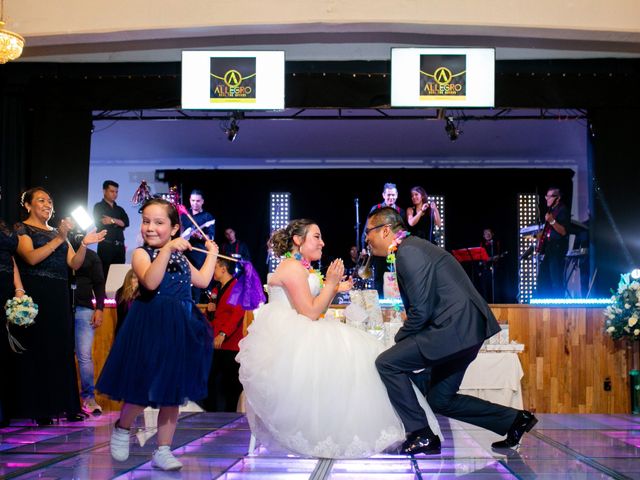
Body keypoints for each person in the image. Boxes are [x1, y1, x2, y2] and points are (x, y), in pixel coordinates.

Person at [236, 219, 440, 458]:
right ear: (297, 240)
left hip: (304, 327)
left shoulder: (302, 268)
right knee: (355, 356)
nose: (322, 242)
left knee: (362, 353)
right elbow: (310, 312)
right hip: (290, 336)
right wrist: (331, 284)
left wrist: (334, 288)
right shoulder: (292, 268)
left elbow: (316, 310)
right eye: (316, 236)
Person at [368, 207, 537, 455]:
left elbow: (421, 311)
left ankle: (421, 433)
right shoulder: (411, 248)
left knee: (387, 363)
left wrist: (398, 343)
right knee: (440, 399)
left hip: (454, 328)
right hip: (466, 329)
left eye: (368, 233)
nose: (366, 240)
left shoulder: (408, 251)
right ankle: (514, 420)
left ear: (385, 230)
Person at [96, 198, 218, 471]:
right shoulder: (141, 254)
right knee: (142, 388)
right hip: (151, 326)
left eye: (159, 222)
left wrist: (211, 252)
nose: (150, 227)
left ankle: (163, 449)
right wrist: (167, 251)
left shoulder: (181, 257)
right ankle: (122, 427)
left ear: (174, 228)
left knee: (172, 393)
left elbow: (202, 280)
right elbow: (150, 281)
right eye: (146, 221)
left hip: (179, 327)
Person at [13, 187, 106, 425]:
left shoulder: (58, 233)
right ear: (28, 205)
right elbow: (30, 257)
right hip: (37, 294)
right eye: (41, 200)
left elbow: (74, 263)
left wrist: (84, 244)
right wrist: (59, 238)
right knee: (39, 350)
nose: (47, 204)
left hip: (59, 296)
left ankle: (66, 405)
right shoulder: (22, 228)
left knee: (61, 351)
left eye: (50, 201)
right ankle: (41, 408)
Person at [70, 232, 106, 417]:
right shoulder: (62, 253)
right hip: (61, 310)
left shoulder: (92, 257)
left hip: (84, 309)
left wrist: (99, 308)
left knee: (84, 356)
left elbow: (99, 284)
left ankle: (89, 398)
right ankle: (63, 400)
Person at [203, 257, 245, 412]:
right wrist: (209, 310)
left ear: (223, 268)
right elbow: (212, 315)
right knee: (209, 380)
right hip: (214, 342)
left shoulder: (237, 287)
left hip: (230, 343)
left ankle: (231, 417)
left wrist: (223, 334)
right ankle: (210, 415)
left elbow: (237, 314)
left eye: (214, 267)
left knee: (230, 384)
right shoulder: (215, 289)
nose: (212, 272)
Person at [0, 213, 25, 427]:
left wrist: (18, 288)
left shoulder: (4, 224)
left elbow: (11, 258)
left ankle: (5, 408)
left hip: (7, 287)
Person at [362, 183, 404, 297]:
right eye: (389, 195)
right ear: (383, 195)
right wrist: (363, 246)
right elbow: (367, 228)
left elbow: (403, 231)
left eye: (393, 195)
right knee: (379, 276)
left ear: (397, 195)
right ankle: (379, 303)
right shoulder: (376, 209)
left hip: (395, 250)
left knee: (397, 277)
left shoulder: (400, 211)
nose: (391, 198)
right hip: (379, 249)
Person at [180, 189, 215, 302]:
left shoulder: (207, 216)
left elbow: (211, 237)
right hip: (184, 250)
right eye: (193, 200)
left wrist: (199, 236)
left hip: (199, 253)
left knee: (197, 281)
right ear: (190, 200)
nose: (195, 203)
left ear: (202, 201)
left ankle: (197, 306)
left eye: (198, 201)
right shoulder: (184, 215)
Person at [535, 187, 569, 298]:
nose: (547, 199)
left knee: (556, 279)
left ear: (557, 198)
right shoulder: (551, 211)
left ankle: (558, 306)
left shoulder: (562, 210)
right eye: (546, 196)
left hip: (557, 248)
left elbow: (563, 231)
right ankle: (543, 304)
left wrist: (552, 221)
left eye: (549, 196)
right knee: (543, 278)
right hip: (549, 248)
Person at [93, 180, 130, 280]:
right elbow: (102, 222)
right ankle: (102, 296)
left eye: (116, 192)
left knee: (119, 276)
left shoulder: (120, 209)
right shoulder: (98, 206)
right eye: (112, 191)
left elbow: (126, 223)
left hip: (120, 247)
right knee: (104, 275)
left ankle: (117, 296)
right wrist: (118, 222)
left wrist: (112, 220)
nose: (115, 194)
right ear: (104, 191)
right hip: (106, 246)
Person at [477, 228, 503, 303]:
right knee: (485, 290)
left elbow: (500, 254)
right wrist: (479, 272)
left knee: (496, 289)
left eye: (489, 233)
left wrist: (497, 258)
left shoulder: (496, 243)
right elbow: (478, 258)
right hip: (485, 270)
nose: (487, 235)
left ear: (492, 234)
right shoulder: (481, 244)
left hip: (495, 269)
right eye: (485, 233)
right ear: (483, 235)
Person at [114, 269, 139, 336]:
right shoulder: (120, 292)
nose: (137, 280)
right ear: (129, 279)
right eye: (134, 278)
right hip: (123, 328)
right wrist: (133, 295)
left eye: (138, 278)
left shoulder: (143, 293)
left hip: (137, 329)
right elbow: (123, 312)